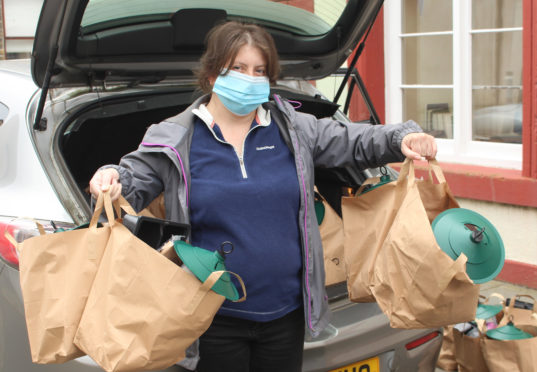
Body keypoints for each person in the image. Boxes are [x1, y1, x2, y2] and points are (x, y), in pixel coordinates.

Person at [89, 21, 437, 372]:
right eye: (238, 68)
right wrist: (112, 178)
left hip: (285, 315)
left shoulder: (293, 128)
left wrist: (401, 138)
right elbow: (132, 180)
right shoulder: (176, 136)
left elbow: (354, 141)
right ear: (212, 75)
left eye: (260, 71)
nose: (250, 79)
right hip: (212, 319)